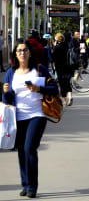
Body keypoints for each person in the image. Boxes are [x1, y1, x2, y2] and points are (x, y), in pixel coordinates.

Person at [2, 39, 58, 198]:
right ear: (15, 54)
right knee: (21, 150)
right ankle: (25, 183)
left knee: (29, 148)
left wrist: (39, 88)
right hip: (17, 116)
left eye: (25, 50)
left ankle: (32, 186)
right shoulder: (11, 73)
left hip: (37, 114)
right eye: (19, 51)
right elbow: (7, 100)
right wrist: (6, 92)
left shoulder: (39, 70)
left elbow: (54, 88)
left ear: (30, 52)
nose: (22, 53)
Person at [52, 33, 73, 106]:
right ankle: (70, 96)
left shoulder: (57, 48)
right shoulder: (67, 46)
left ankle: (64, 101)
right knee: (67, 83)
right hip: (68, 68)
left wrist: (54, 47)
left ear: (57, 40)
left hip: (60, 68)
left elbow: (53, 58)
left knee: (62, 84)